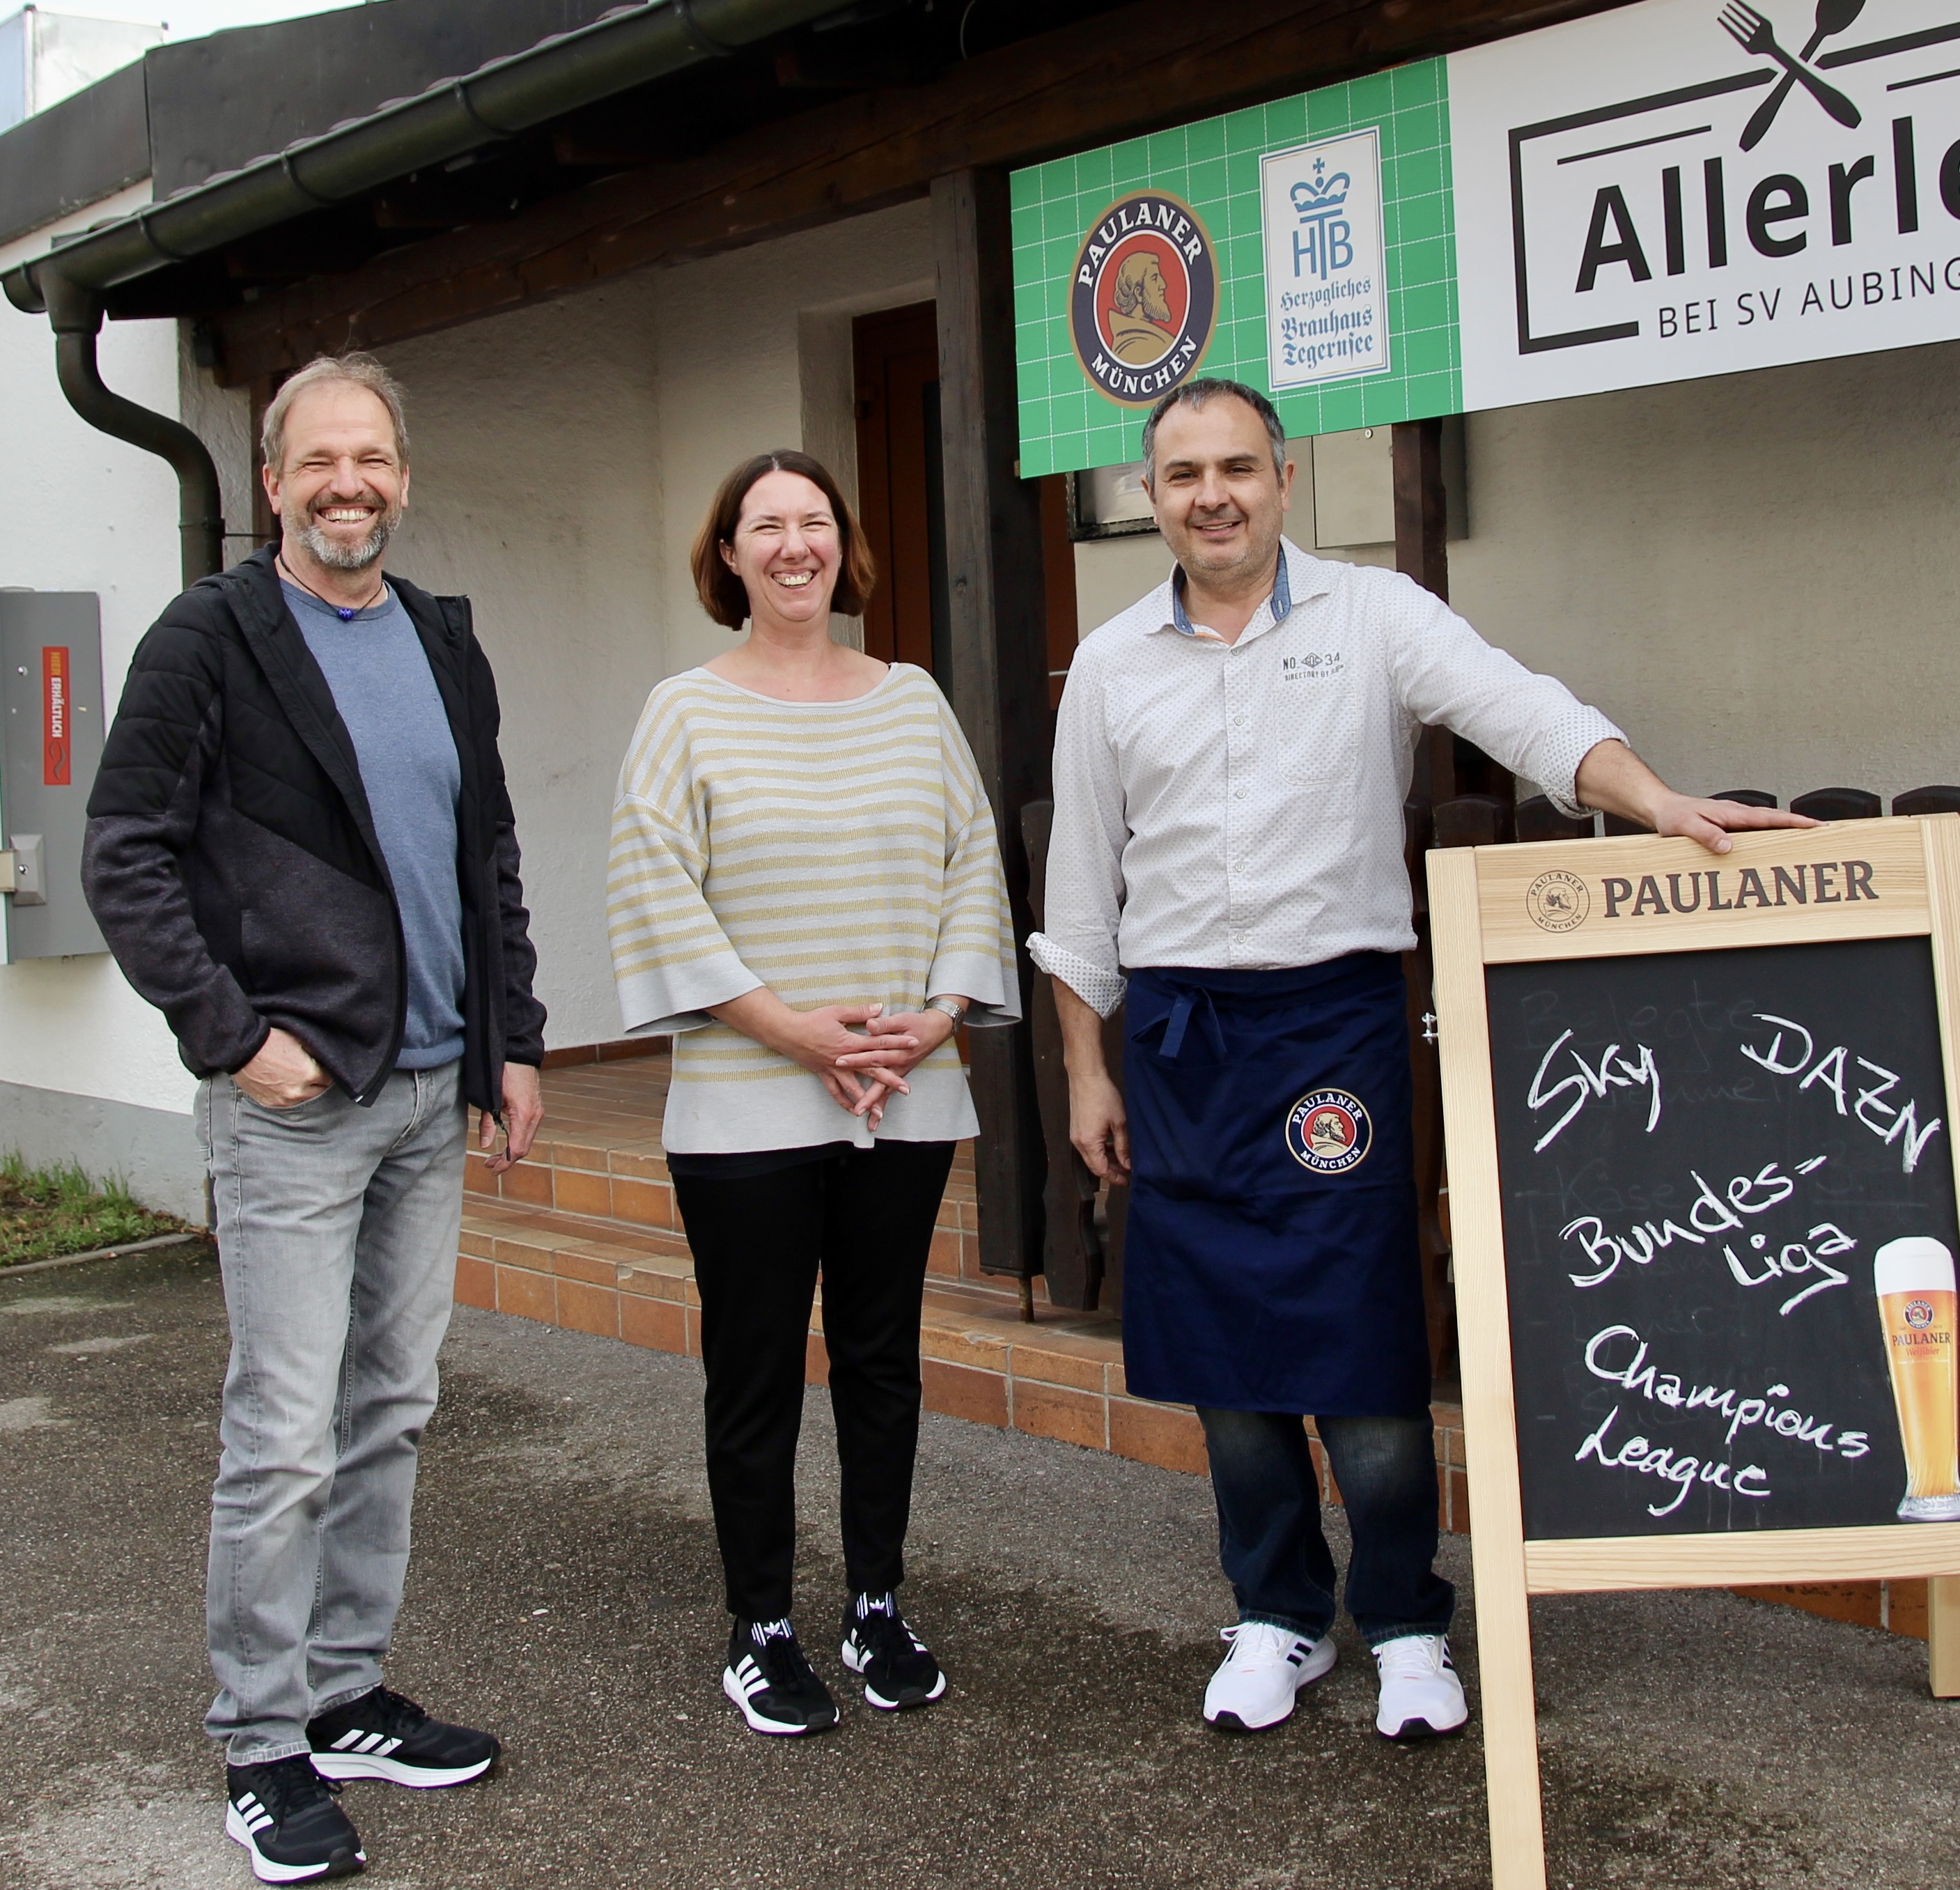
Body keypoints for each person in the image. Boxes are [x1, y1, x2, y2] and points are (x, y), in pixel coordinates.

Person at [1031, 378, 1807, 1743]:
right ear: (1152, 498)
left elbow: (1529, 714)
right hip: (1181, 1043)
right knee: (1230, 1362)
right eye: (1182, 474)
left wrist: (1661, 801)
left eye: (1238, 468)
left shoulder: (1376, 617)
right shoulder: (1109, 666)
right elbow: (1082, 888)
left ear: (1284, 480)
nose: (1212, 494)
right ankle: (1274, 1613)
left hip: (1335, 1029)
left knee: (1365, 1352)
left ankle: (1401, 1622)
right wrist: (1089, 1070)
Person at [84, 353, 545, 1886]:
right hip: (295, 1102)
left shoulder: (441, 638)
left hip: (430, 1092)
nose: (349, 485)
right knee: (282, 1431)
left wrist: (514, 1042)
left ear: (403, 475)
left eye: (374, 459)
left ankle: (347, 1693)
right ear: (273, 481)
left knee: (392, 1407)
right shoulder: (212, 638)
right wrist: (231, 1040)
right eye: (318, 462)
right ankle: (260, 1738)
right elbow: (126, 854)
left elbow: (488, 854)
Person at [606, 450, 1019, 1741]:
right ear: (726, 555)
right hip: (745, 1103)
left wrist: (938, 1017)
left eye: (816, 522)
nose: (795, 544)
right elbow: (651, 888)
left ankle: (878, 1601)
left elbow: (972, 863)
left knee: (883, 1360)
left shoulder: (912, 701)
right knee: (756, 1371)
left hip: (900, 1090)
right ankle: (763, 1625)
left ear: (847, 546)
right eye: (764, 525)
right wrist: (793, 1030)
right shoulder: (683, 709)